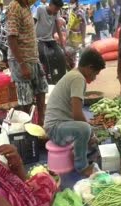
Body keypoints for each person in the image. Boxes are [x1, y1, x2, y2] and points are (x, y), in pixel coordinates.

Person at [44, 48, 106, 177]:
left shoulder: (74, 74)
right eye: (95, 73)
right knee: (84, 129)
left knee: (87, 131)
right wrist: (90, 132)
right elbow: (77, 114)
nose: (94, 78)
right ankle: (82, 167)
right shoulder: (78, 79)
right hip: (55, 129)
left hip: (59, 125)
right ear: (89, 68)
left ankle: (82, 153)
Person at [7, 0, 49, 126]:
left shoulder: (26, 7)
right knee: (26, 99)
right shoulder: (14, 6)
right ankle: (28, 127)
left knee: (42, 89)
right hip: (21, 61)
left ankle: (41, 122)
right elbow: (11, 38)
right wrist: (22, 65)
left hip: (33, 58)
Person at [34, 0, 67, 84]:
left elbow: (58, 29)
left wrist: (62, 44)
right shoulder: (40, 9)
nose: (56, 11)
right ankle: (49, 79)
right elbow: (32, 23)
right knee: (46, 55)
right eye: (56, 8)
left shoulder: (56, 13)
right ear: (50, 4)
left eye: (58, 9)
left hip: (49, 39)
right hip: (39, 39)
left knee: (61, 54)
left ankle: (62, 78)